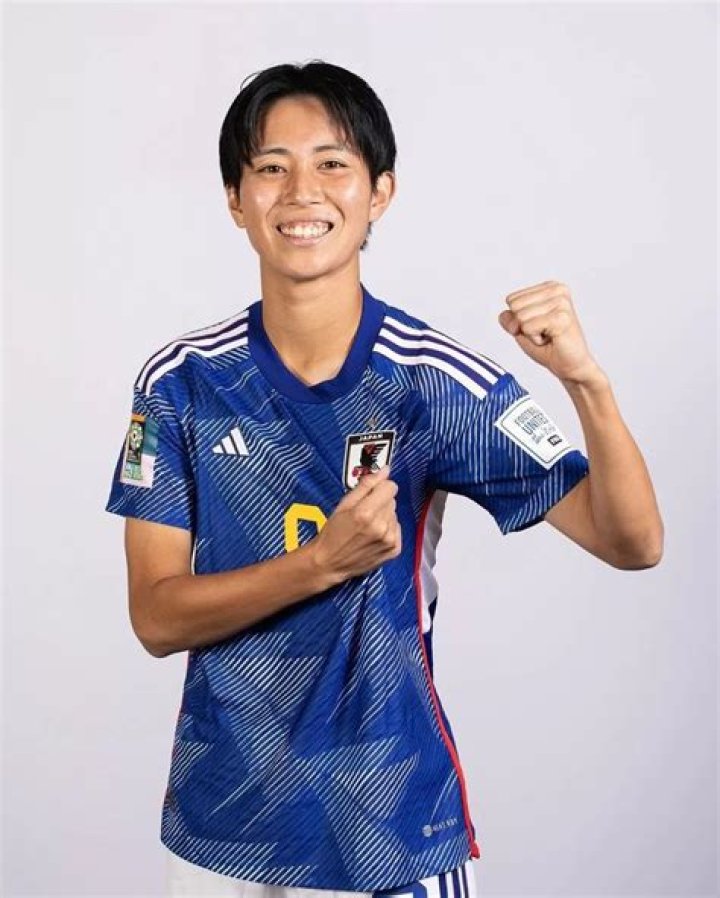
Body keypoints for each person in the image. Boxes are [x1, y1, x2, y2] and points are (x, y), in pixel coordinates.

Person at [105, 60, 663, 898]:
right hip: (221, 828)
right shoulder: (182, 383)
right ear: (236, 200)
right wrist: (320, 564)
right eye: (271, 167)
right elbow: (155, 618)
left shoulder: (432, 381)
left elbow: (633, 542)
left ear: (380, 192)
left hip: (388, 834)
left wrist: (587, 385)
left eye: (332, 163)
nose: (302, 191)